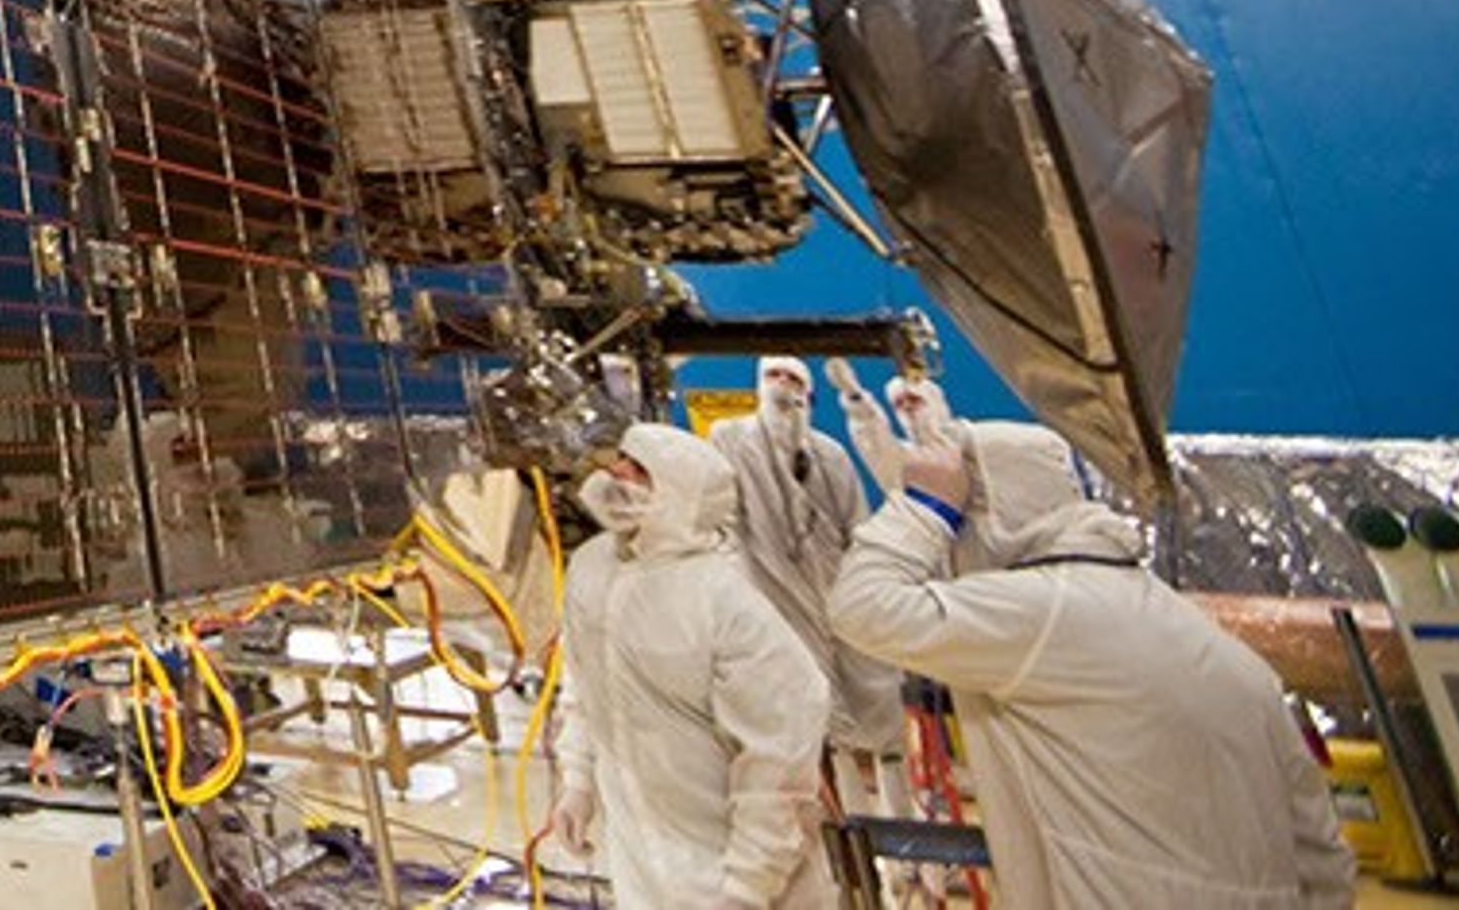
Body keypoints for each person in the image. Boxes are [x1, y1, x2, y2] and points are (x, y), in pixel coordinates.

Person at [822, 419, 1356, 907]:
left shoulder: (1043, 615)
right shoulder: (1204, 639)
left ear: (986, 517)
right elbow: (1322, 858)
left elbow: (864, 606)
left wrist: (924, 508)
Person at [548, 422, 836, 909]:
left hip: (735, 875)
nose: (616, 472)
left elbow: (778, 761)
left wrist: (746, 887)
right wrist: (577, 781)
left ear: (681, 495)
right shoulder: (592, 567)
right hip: (640, 863)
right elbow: (584, 683)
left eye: (639, 470)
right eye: (620, 458)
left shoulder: (723, 599)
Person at [721, 358, 910, 785]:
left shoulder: (829, 454)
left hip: (835, 593)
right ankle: (835, 821)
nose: (783, 387)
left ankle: (896, 812)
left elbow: (857, 525)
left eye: (794, 380)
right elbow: (725, 522)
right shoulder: (731, 440)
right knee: (808, 721)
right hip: (771, 595)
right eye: (774, 376)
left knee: (876, 700)